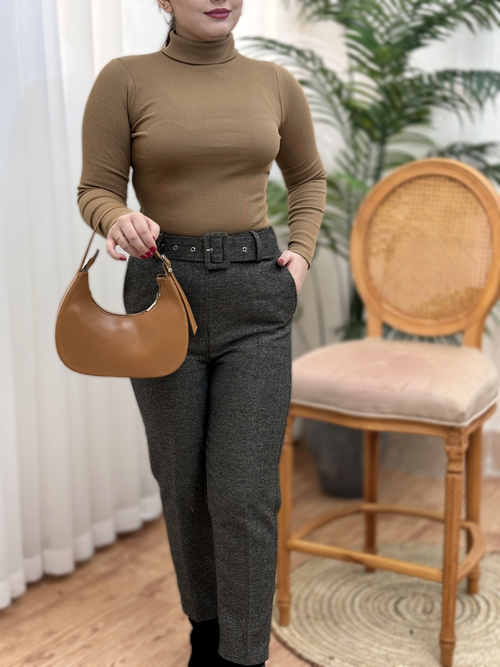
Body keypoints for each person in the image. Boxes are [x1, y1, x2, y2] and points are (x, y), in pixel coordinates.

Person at [77, 1, 326, 665]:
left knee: (245, 492)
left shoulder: (275, 83)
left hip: (256, 298)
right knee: (182, 484)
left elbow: (307, 177)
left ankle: (243, 655)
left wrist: (301, 256)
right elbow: (96, 189)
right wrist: (117, 219)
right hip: (162, 292)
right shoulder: (125, 79)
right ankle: (205, 633)